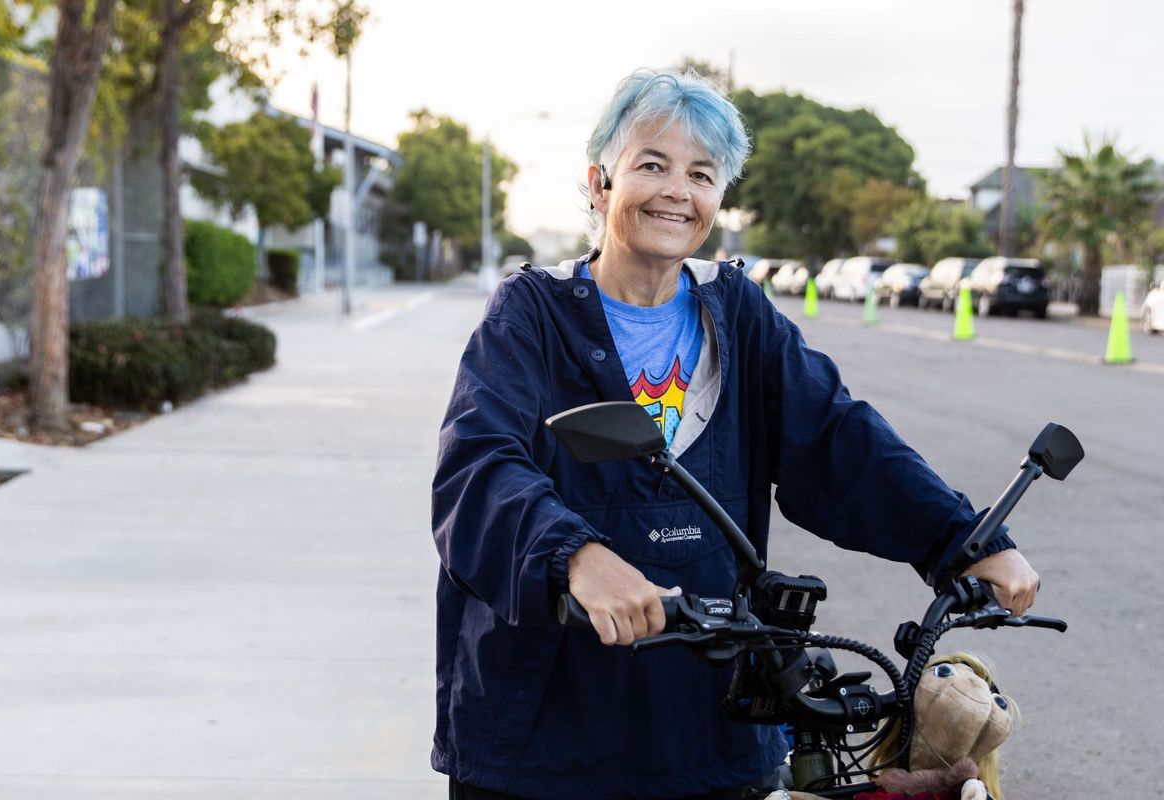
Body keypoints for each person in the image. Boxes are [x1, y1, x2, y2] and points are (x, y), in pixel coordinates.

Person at [430, 68, 1039, 800]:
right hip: (546, 730)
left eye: (701, 174)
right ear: (600, 182)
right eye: (650, 165)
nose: (675, 192)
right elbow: (478, 468)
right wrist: (574, 557)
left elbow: (838, 440)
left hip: (711, 718)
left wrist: (963, 542)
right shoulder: (531, 313)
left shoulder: (738, 314)